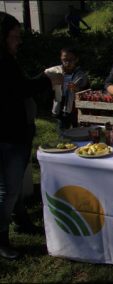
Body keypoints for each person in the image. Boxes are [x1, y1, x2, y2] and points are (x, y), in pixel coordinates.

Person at [0, 12, 53, 260]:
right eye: (14, 36)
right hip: (8, 134)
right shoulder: (2, 61)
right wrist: (46, 79)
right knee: (8, 188)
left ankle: (20, 220)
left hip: (17, 132)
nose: (18, 41)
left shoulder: (8, 58)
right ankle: (1, 239)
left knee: (16, 183)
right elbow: (20, 89)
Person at [44, 47, 89, 132]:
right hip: (60, 105)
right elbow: (44, 77)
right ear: (61, 59)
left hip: (74, 106)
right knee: (62, 129)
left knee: (76, 129)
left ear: (76, 60)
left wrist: (77, 89)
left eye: (71, 60)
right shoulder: (55, 71)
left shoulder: (80, 75)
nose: (67, 63)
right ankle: (62, 141)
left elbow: (86, 89)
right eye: (65, 60)